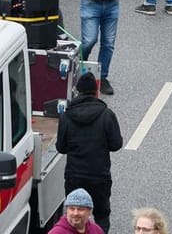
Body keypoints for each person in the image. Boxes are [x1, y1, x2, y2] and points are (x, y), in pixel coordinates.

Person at [55, 72, 123, 231]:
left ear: (77, 92)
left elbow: (60, 147)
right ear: (96, 91)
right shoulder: (106, 115)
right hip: (99, 176)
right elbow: (116, 144)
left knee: (73, 217)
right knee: (102, 215)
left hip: (74, 176)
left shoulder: (67, 116)